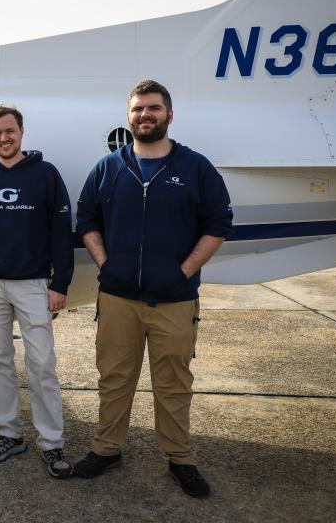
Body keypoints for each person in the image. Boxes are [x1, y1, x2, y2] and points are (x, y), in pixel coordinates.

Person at [74, 79, 233, 498]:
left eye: (154, 109)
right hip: (118, 298)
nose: (146, 115)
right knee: (114, 377)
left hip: (175, 300)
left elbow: (218, 224)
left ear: (169, 115)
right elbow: (86, 219)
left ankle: (181, 458)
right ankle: (106, 449)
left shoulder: (195, 167)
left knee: (174, 382)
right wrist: (107, 264)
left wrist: (183, 272)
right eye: (139, 109)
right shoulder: (108, 167)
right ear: (129, 117)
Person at [0, 105, 75, 479]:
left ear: (22, 132)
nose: (4, 138)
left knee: (42, 363)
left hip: (33, 285)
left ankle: (51, 442)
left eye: (10, 131)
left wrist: (60, 284)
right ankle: (9, 434)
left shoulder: (45, 175)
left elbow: (62, 233)